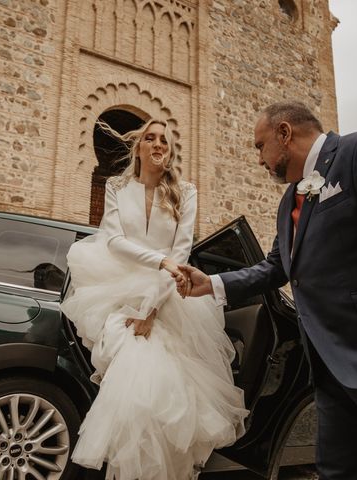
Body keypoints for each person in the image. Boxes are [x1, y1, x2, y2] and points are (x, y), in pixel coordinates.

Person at [178, 101, 357, 480]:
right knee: (339, 473)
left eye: (259, 146)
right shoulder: (288, 203)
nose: (259, 160)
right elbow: (276, 268)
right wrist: (212, 283)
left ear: (285, 133)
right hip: (332, 372)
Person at [60, 119, 247, 480]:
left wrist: (151, 310)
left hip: (169, 297)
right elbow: (112, 241)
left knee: (166, 396)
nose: (158, 143)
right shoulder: (117, 186)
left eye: (165, 139)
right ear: (139, 148)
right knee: (136, 389)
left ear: (170, 150)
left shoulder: (185, 192)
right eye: (150, 137)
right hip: (116, 291)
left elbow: (181, 251)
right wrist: (158, 261)